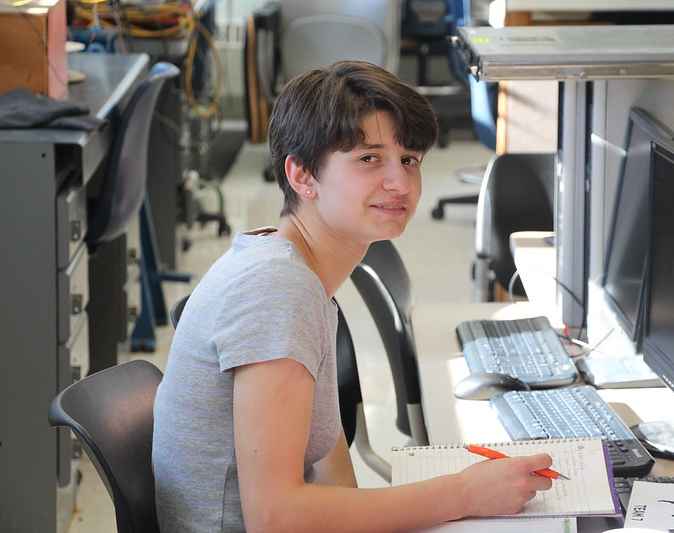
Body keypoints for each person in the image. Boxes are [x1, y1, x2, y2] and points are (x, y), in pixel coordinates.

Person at [152, 60, 553, 532]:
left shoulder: (298, 270)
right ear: (302, 177)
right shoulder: (277, 290)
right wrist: (462, 493)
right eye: (369, 159)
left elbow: (329, 467)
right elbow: (274, 517)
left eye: (409, 159)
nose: (401, 184)